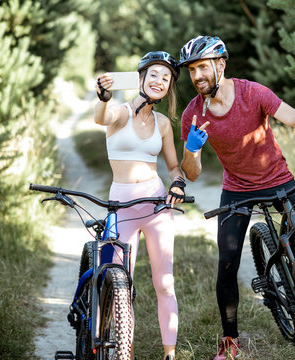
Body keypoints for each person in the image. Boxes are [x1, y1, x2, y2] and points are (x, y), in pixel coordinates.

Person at [177, 35, 295, 360]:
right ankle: (230, 341)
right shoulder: (193, 114)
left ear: (220, 64)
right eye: (191, 70)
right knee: (227, 265)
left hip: (279, 181)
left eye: (203, 67)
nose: (197, 76)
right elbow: (192, 174)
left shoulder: (252, 92)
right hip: (237, 190)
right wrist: (192, 150)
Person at [94, 51, 186, 360]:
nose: (160, 81)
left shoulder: (162, 124)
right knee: (122, 283)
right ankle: (125, 351)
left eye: (166, 78)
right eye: (154, 75)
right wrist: (104, 97)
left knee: (165, 282)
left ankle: (169, 354)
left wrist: (177, 181)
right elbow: (101, 117)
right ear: (141, 79)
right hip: (121, 206)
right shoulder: (119, 112)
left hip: (157, 205)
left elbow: (173, 166)